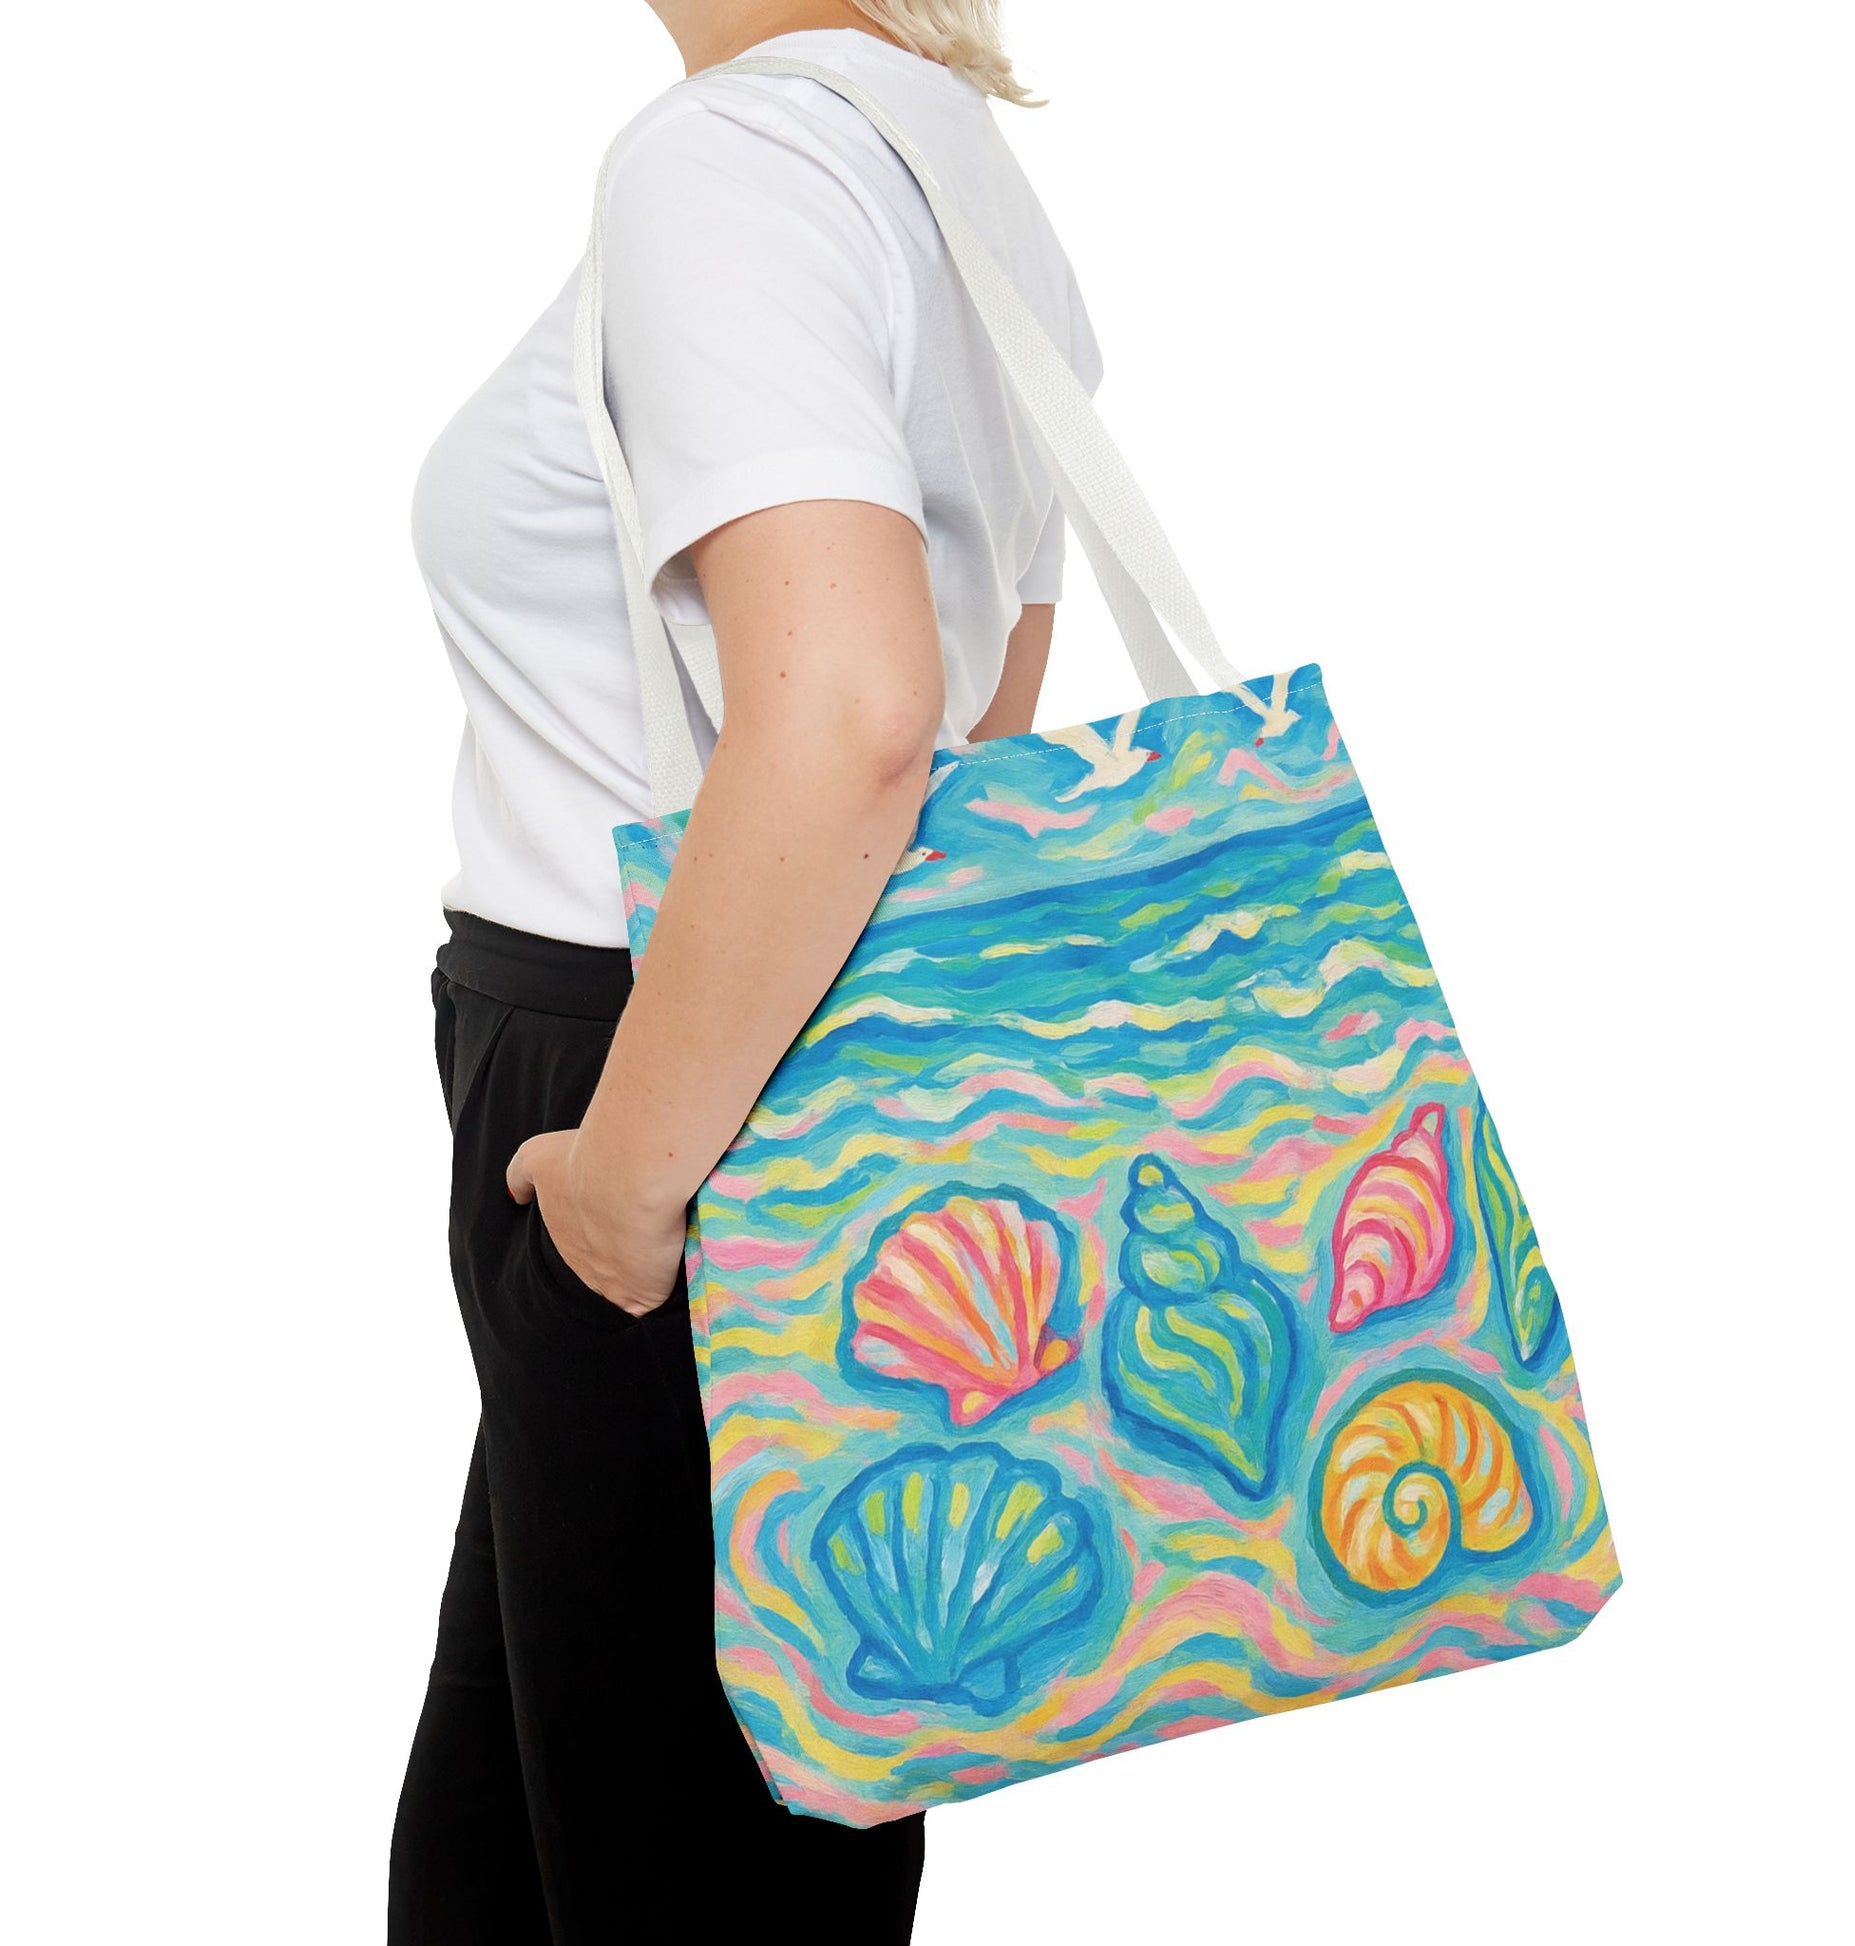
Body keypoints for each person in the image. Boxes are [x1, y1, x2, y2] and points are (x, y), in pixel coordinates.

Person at [390, 4, 1099, 1939]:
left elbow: (863, 713)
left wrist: (626, 1189)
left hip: (657, 1095)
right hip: (774, 1053)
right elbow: (988, 709)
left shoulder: (733, 163)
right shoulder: (941, 160)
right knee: (543, 1849)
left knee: (667, 1874)